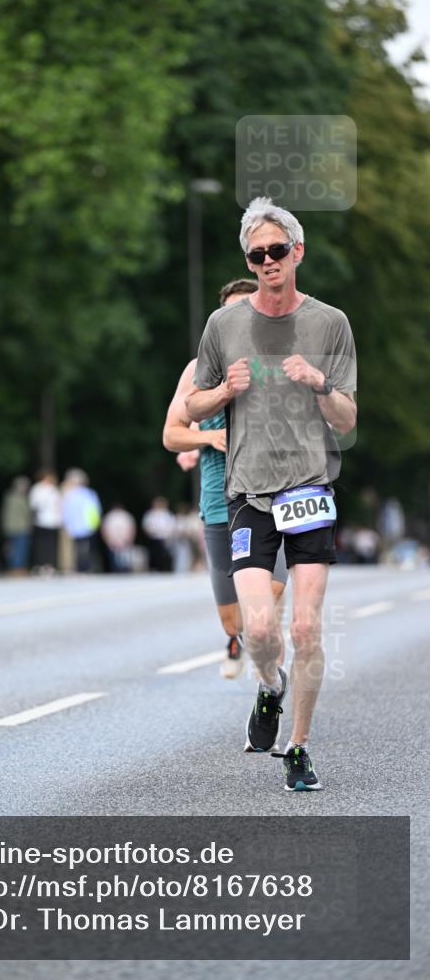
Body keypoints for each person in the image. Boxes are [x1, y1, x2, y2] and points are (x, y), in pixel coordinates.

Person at [186, 197, 357, 791]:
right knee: (259, 631)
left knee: (306, 628)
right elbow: (191, 405)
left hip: (310, 487)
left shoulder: (329, 323)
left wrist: (320, 382)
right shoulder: (223, 326)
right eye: (256, 255)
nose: (267, 263)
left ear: (297, 252)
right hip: (248, 494)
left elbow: (347, 418)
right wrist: (222, 393)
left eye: (276, 252)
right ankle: (270, 685)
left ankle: (299, 748)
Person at [164, 279, 288, 679]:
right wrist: (205, 438)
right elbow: (171, 433)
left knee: (266, 605)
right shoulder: (197, 372)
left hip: (275, 500)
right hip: (220, 504)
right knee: (233, 618)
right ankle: (237, 639)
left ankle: (269, 690)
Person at [61, 469, 102, 573]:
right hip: (87, 525)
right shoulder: (89, 493)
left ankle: (81, 567)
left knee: (78, 548)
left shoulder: (70, 494)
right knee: (86, 548)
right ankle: (85, 567)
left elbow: (66, 512)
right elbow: (96, 509)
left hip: (76, 526)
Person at [29, 470, 62, 574]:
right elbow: (33, 504)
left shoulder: (54, 490)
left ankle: (50, 565)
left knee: (51, 544)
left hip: (53, 521)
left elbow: (59, 505)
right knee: (41, 544)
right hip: (41, 521)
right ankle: (40, 564)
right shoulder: (37, 489)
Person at [0, 476, 32, 574]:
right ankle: (18, 568)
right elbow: (26, 512)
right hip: (21, 527)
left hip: (10, 527)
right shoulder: (21, 498)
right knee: (20, 549)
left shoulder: (9, 497)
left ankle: (12, 567)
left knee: (12, 549)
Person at [142, 497, 175, 572]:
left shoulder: (167, 514)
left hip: (165, 538)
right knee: (154, 555)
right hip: (153, 538)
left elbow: (172, 526)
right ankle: (154, 568)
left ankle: (165, 568)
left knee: (164, 555)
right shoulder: (150, 514)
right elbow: (146, 526)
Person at [101, 504, 136, 573]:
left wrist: (129, 539)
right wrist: (108, 540)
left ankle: (125, 570)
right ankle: (115, 570)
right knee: (113, 557)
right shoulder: (110, 516)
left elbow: (131, 528)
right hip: (113, 540)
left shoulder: (125, 516)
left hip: (124, 539)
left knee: (125, 557)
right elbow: (105, 529)